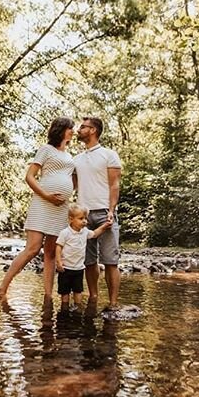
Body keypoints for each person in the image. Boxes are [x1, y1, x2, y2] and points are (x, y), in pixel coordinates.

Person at [0, 117, 76, 299]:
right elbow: (30, 176)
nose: (73, 131)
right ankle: (2, 287)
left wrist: (67, 193)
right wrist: (47, 195)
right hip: (42, 203)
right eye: (70, 128)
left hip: (60, 208)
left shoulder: (70, 157)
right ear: (61, 129)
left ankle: (48, 295)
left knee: (51, 253)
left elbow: (73, 180)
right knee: (32, 249)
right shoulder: (46, 149)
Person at [73, 116, 122, 308]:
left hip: (104, 212)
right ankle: (93, 298)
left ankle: (113, 303)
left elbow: (114, 185)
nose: (79, 130)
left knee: (111, 261)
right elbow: (72, 186)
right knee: (89, 261)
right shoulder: (76, 159)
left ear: (93, 130)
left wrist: (111, 210)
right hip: (82, 215)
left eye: (83, 127)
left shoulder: (109, 155)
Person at [55, 204, 110, 309]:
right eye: (81, 218)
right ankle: (64, 309)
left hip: (79, 268)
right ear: (71, 219)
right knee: (64, 291)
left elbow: (94, 234)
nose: (84, 221)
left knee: (78, 290)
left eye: (85, 218)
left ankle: (77, 308)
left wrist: (104, 227)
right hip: (65, 268)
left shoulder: (84, 232)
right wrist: (58, 262)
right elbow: (58, 247)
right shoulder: (65, 233)